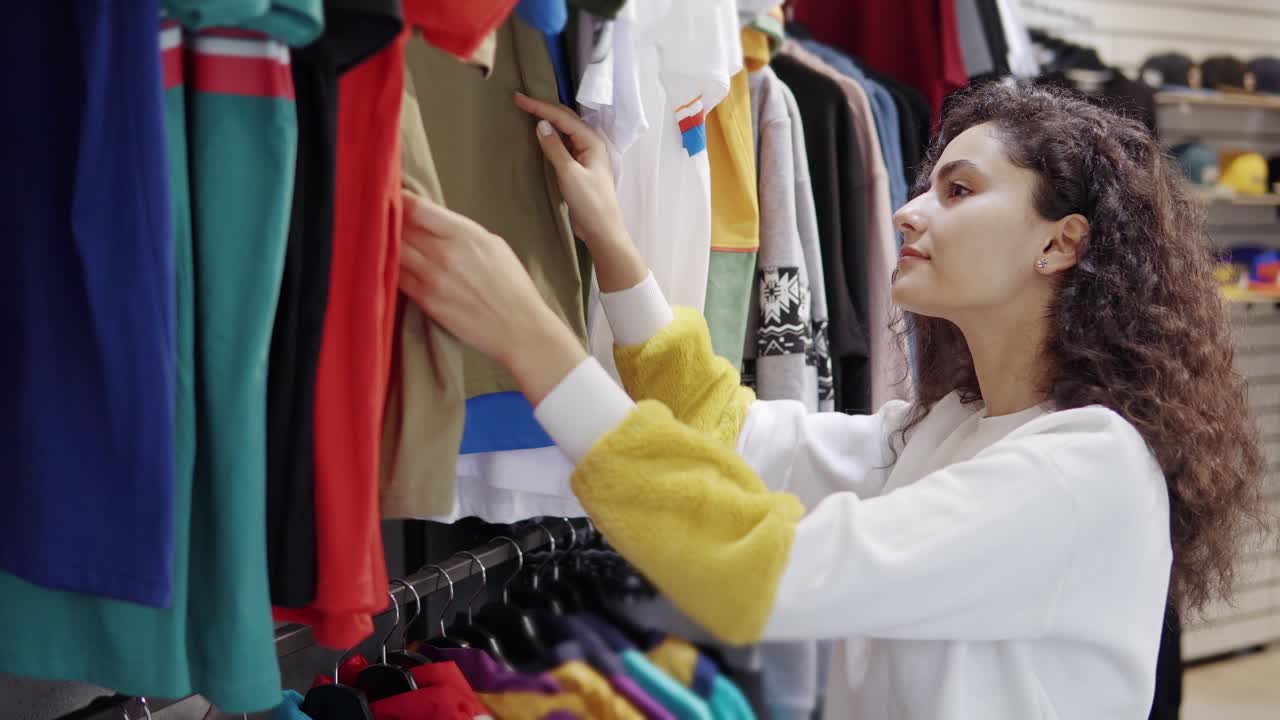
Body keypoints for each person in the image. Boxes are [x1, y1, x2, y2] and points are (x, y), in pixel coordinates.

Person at [398, 80, 1264, 718]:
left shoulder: (1086, 468)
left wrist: (529, 335)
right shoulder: (954, 431)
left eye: (957, 192)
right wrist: (617, 251)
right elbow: (729, 432)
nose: (907, 214)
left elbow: (754, 572)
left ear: (1060, 243)